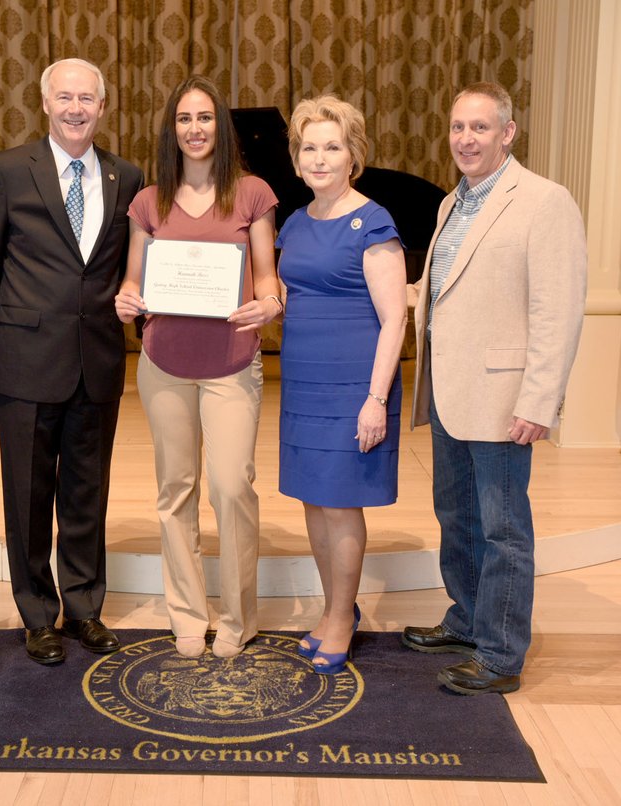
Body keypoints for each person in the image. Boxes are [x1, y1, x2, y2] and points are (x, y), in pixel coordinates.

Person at [402, 82, 587, 694]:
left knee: (503, 530)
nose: (466, 139)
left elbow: (557, 310)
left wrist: (539, 402)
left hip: (505, 400)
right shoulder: (451, 204)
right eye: (458, 127)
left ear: (508, 132)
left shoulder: (543, 201)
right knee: (456, 517)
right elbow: (444, 294)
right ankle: (466, 620)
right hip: (451, 394)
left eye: (480, 127)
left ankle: (501, 655)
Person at [0, 58, 144, 665]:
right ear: (44, 103)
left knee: (86, 493)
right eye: (65, 97)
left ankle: (84, 608)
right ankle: (36, 614)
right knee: (26, 495)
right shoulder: (4, 170)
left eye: (88, 99)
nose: (77, 108)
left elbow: (131, 264)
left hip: (96, 359)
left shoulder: (126, 176)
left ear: (104, 106)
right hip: (24, 359)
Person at [115, 76, 281, 659]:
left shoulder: (253, 194)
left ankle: (238, 616)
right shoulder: (148, 201)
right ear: (172, 129)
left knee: (232, 487)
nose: (195, 129)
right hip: (164, 362)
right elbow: (135, 278)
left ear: (221, 126)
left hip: (232, 362)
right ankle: (187, 612)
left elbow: (266, 275)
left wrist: (271, 301)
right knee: (175, 491)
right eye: (184, 119)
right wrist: (127, 297)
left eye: (205, 117)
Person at [276, 96, 407, 675]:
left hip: (355, 384)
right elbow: (289, 295)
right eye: (310, 147)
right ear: (297, 158)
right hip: (303, 380)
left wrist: (375, 399)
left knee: (341, 504)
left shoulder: (373, 222)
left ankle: (337, 619)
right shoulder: (295, 222)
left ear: (353, 154)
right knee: (312, 498)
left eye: (333, 146)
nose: (320, 157)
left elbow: (395, 318)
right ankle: (339, 609)